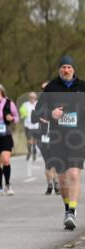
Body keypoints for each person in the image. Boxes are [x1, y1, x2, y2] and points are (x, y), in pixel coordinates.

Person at [34, 55, 85, 229]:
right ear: (59, 70)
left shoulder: (83, 87)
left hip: (78, 139)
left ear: (74, 69)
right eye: (63, 67)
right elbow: (37, 112)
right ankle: (67, 209)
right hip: (57, 139)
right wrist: (51, 114)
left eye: (69, 67)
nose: (66, 70)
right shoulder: (51, 88)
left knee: (74, 175)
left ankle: (72, 211)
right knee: (62, 179)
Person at [20, 92, 41, 162]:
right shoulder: (25, 104)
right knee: (29, 141)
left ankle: (34, 153)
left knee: (35, 141)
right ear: (29, 98)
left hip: (36, 125)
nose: (32, 98)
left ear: (35, 98)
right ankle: (29, 152)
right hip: (28, 126)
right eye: (30, 97)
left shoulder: (38, 104)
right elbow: (21, 113)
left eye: (33, 97)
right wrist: (23, 114)